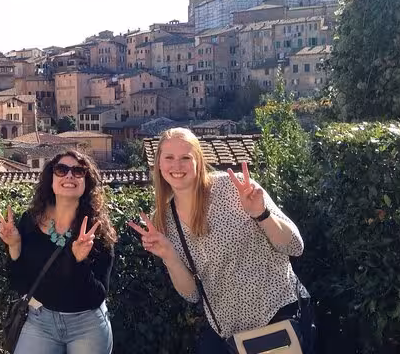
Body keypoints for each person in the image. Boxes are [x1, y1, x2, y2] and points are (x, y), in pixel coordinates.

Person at [128, 128, 315, 353]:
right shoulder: (165, 220)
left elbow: (295, 246)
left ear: (198, 160)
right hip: (230, 336)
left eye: (185, 158)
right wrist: (169, 257)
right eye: (169, 157)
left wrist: (261, 213)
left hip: (278, 317)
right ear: (158, 163)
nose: (176, 166)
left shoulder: (232, 187)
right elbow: (192, 294)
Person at [0, 150, 116, 354]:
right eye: (61, 169)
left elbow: (97, 296)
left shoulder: (97, 230)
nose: (69, 175)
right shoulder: (30, 221)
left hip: (87, 325)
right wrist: (14, 245)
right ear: (51, 179)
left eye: (78, 171)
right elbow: (19, 283)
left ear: (86, 182)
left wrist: (79, 261)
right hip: (40, 321)